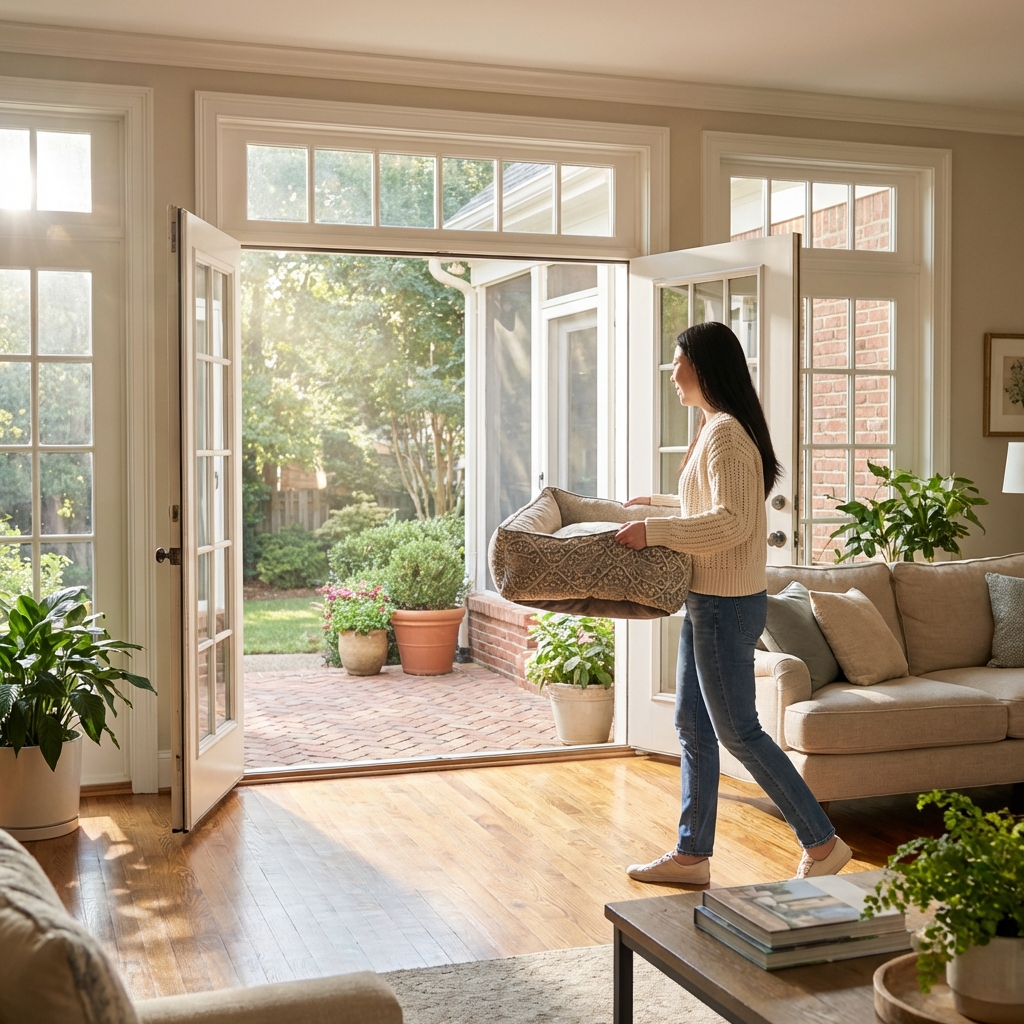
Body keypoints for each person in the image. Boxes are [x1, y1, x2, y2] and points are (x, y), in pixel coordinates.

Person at [614, 321, 851, 886]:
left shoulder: (725, 433)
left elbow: (733, 521)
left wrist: (657, 532)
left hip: (724, 604)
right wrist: (660, 505)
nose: (672, 373)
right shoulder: (715, 428)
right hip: (708, 600)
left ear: (703, 366)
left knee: (738, 731)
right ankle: (692, 857)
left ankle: (823, 844)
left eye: (678, 363)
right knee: (692, 726)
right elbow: (711, 502)